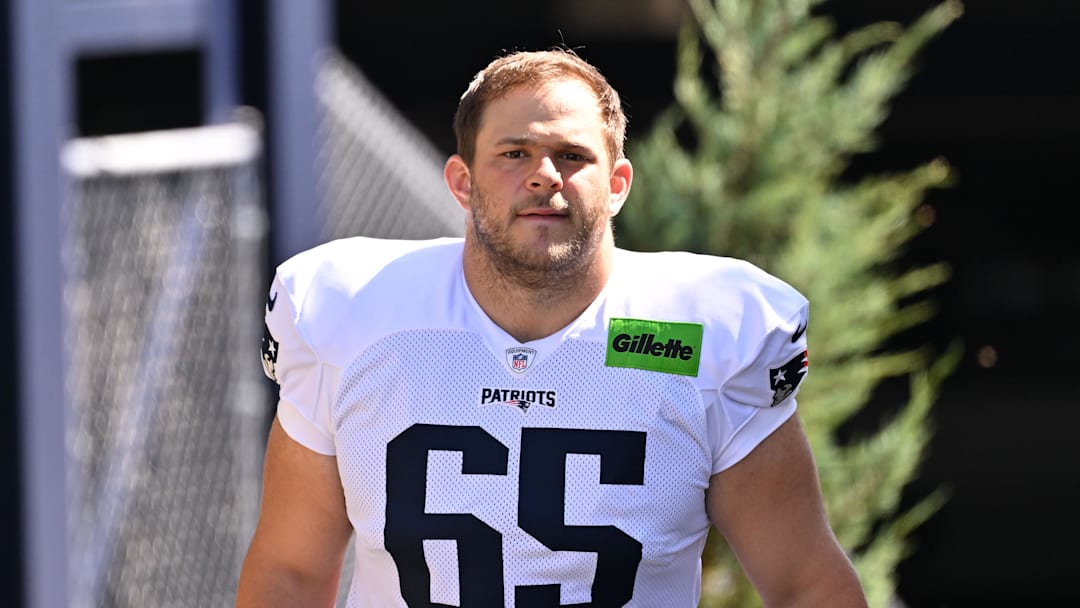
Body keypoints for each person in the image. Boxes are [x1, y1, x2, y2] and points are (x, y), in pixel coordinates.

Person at [236, 48, 867, 607]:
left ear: (618, 185)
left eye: (572, 155)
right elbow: (290, 572)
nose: (544, 175)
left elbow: (806, 582)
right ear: (462, 181)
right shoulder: (351, 312)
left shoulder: (700, 336)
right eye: (515, 154)